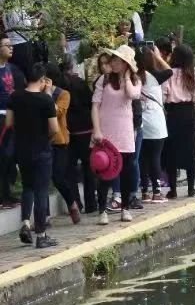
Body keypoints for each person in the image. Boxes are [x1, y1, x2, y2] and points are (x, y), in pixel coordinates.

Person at [5, 62, 60, 248]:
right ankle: (41, 235)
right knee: (41, 192)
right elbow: (54, 128)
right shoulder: (46, 101)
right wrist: (49, 96)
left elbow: (8, 122)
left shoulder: (15, 96)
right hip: (42, 150)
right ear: (43, 80)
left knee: (28, 188)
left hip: (23, 150)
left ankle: (25, 224)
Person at [92, 46, 141, 224]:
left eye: (117, 60)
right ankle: (102, 210)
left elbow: (133, 95)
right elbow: (95, 105)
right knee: (105, 172)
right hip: (106, 132)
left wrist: (127, 77)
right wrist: (97, 129)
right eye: (113, 59)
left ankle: (125, 207)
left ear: (125, 64)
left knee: (126, 172)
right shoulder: (103, 80)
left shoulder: (135, 80)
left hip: (125, 132)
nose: (113, 62)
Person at [161, 44, 195, 198]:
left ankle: (173, 190)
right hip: (188, 113)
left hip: (172, 113)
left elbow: (163, 95)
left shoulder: (168, 75)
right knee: (189, 149)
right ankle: (191, 188)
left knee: (171, 150)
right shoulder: (193, 75)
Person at [43, 66, 80, 225]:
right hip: (42, 140)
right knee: (42, 179)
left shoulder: (64, 94)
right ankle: (44, 216)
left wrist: (49, 95)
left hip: (59, 141)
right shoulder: (35, 94)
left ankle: (72, 203)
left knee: (58, 177)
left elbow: (57, 112)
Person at [137, 46, 171, 203]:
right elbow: (170, 70)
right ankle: (157, 192)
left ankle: (144, 191)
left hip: (140, 122)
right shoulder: (155, 76)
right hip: (155, 121)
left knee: (142, 158)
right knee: (155, 156)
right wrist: (158, 57)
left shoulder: (133, 77)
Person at [63, 55, 95, 215]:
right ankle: (91, 203)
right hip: (85, 129)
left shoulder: (61, 85)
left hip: (69, 130)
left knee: (70, 168)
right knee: (89, 167)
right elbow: (91, 103)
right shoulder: (81, 83)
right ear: (73, 67)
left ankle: (75, 202)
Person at [0, 37, 26, 209]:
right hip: (1, 117)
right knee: (3, 156)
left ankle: (7, 194)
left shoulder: (12, 68)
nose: (11, 48)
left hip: (12, 116)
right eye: (6, 45)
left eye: (11, 45)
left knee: (10, 156)